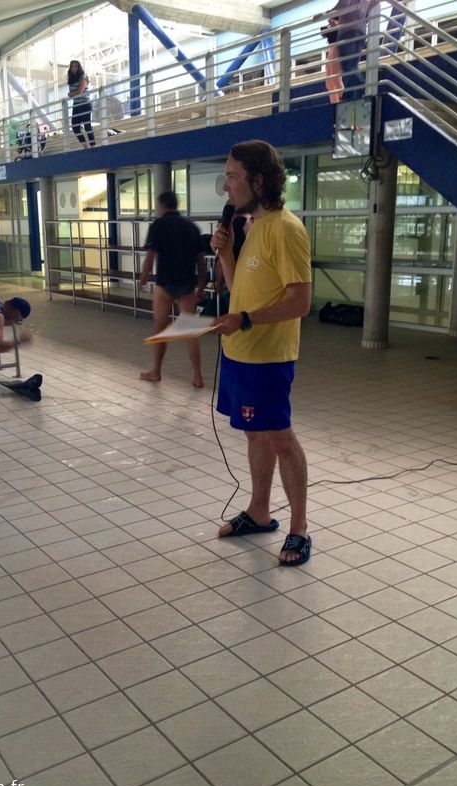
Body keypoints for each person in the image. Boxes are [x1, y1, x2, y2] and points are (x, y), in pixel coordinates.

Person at [210, 140, 313, 567]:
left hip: (269, 358)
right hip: (241, 353)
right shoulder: (253, 226)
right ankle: (259, 511)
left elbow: (300, 302)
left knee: (280, 438)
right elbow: (240, 290)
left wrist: (247, 320)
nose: (226, 187)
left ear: (258, 181)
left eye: (232, 177)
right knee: (256, 434)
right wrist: (226, 253)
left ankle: (299, 528)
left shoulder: (286, 230)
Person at [139, 190, 207, 387]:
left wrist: (143, 277)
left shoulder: (157, 225)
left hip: (165, 283)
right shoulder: (192, 227)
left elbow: (150, 257)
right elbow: (201, 261)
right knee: (190, 331)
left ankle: (156, 372)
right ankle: (198, 376)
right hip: (187, 284)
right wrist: (201, 286)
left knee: (160, 328)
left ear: (161, 206)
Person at [321, 0, 370, 104]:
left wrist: (329, 17)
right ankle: (337, 102)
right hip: (338, 41)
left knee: (337, 75)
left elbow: (341, 7)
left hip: (342, 39)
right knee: (330, 80)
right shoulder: (351, 14)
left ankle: (342, 98)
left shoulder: (351, 14)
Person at [67, 60, 95, 149]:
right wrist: (72, 94)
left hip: (85, 104)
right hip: (76, 105)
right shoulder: (71, 80)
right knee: (75, 127)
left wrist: (72, 94)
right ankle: (86, 146)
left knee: (87, 126)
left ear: (79, 67)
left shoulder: (83, 76)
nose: (73, 68)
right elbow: (75, 93)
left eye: (75, 66)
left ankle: (93, 145)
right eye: (72, 66)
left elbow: (80, 90)